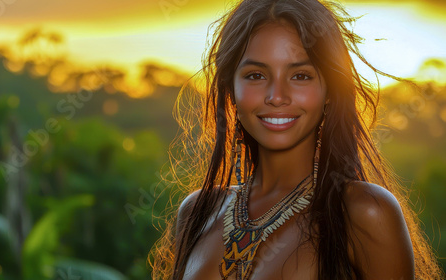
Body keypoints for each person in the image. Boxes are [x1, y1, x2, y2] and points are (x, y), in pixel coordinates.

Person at [151, 0, 444, 279]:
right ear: (231, 89)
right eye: (256, 75)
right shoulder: (198, 212)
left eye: (300, 76)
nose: (277, 96)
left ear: (329, 90)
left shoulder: (364, 212)